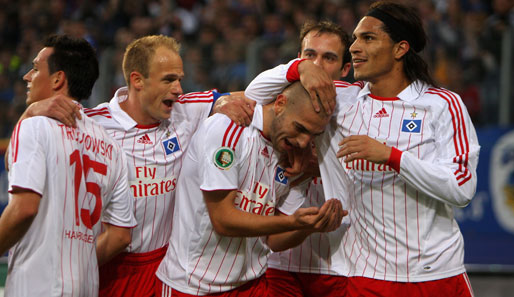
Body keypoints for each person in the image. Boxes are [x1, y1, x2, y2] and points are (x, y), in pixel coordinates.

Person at [246, 2, 480, 296]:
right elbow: (256, 93)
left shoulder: (442, 105)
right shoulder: (340, 101)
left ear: (400, 49)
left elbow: (461, 188)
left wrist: (391, 157)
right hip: (367, 276)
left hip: (435, 271)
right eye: (355, 38)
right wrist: (301, 67)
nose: (354, 47)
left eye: (367, 38)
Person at [20, 34, 255, 297]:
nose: (178, 89)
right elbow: (33, 147)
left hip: (169, 267)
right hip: (110, 265)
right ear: (137, 80)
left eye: (179, 79)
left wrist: (224, 101)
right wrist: (31, 112)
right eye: (168, 79)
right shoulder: (91, 124)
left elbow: (250, 98)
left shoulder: (186, 110)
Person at [155, 80, 345, 296]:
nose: (303, 142)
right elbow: (223, 220)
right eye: (299, 128)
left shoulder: (294, 159)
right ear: (280, 103)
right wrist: (293, 221)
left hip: (253, 284)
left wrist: (309, 226)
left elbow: (274, 240)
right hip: (194, 284)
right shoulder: (228, 129)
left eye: (312, 135)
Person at [0, 34, 136, 297]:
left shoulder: (34, 126)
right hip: (85, 286)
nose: (27, 76)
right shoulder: (111, 146)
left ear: (57, 79)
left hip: (36, 287)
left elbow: (24, 209)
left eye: (36, 68)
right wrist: (76, 264)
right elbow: (120, 236)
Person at [264, 20, 355, 297]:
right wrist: (222, 101)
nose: (317, 65)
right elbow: (249, 95)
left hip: (339, 264)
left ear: (345, 69)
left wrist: (315, 167)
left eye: (329, 58)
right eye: (309, 56)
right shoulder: (274, 97)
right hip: (278, 265)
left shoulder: (360, 107)